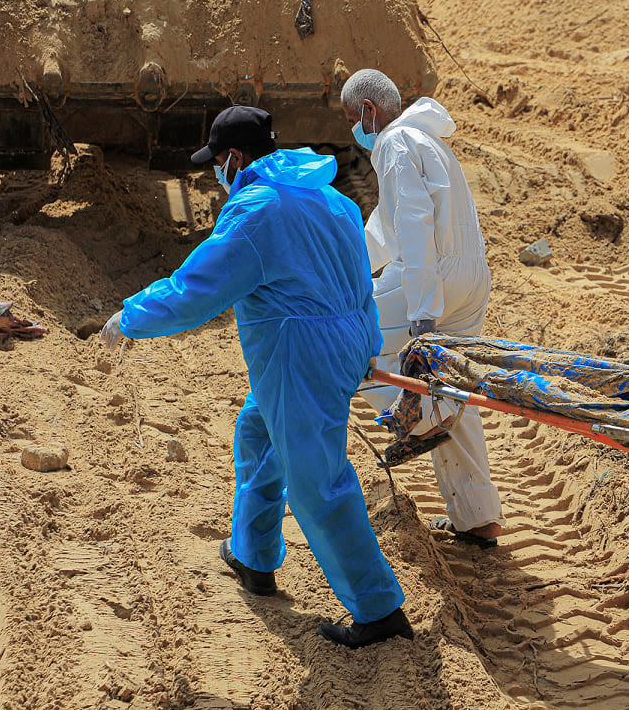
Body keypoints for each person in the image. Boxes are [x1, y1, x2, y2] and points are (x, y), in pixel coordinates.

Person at [101, 105, 413, 649]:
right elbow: (361, 278)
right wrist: (365, 343)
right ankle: (252, 555)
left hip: (300, 356)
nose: (216, 175)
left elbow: (196, 290)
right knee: (257, 432)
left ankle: (378, 609)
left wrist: (130, 317)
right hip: (344, 340)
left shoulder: (257, 211)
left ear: (236, 159)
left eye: (217, 163)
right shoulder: (333, 199)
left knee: (318, 483)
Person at [340, 68, 504, 549]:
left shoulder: (393, 143)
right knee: (452, 390)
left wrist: (423, 312)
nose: (354, 129)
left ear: (370, 111)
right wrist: (348, 265)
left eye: (353, 119)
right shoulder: (427, 140)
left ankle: (418, 416)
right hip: (471, 278)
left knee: (349, 339)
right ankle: (478, 517)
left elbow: (414, 226)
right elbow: (385, 229)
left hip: (435, 278)